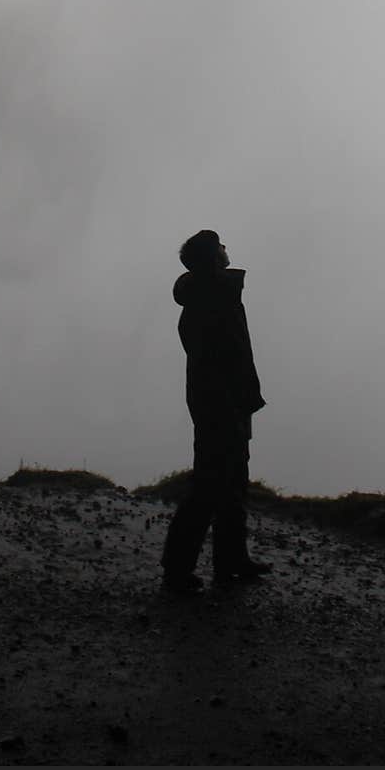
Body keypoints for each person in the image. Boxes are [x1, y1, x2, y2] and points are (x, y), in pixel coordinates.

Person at [161, 229, 272, 593]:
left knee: (232, 481)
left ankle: (232, 559)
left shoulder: (211, 297)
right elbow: (226, 358)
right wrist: (235, 401)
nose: (227, 250)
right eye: (221, 246)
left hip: (227, 401)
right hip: (220, 404)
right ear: (213, 259)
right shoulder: (213, 300)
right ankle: (178, 570)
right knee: (211, 483)